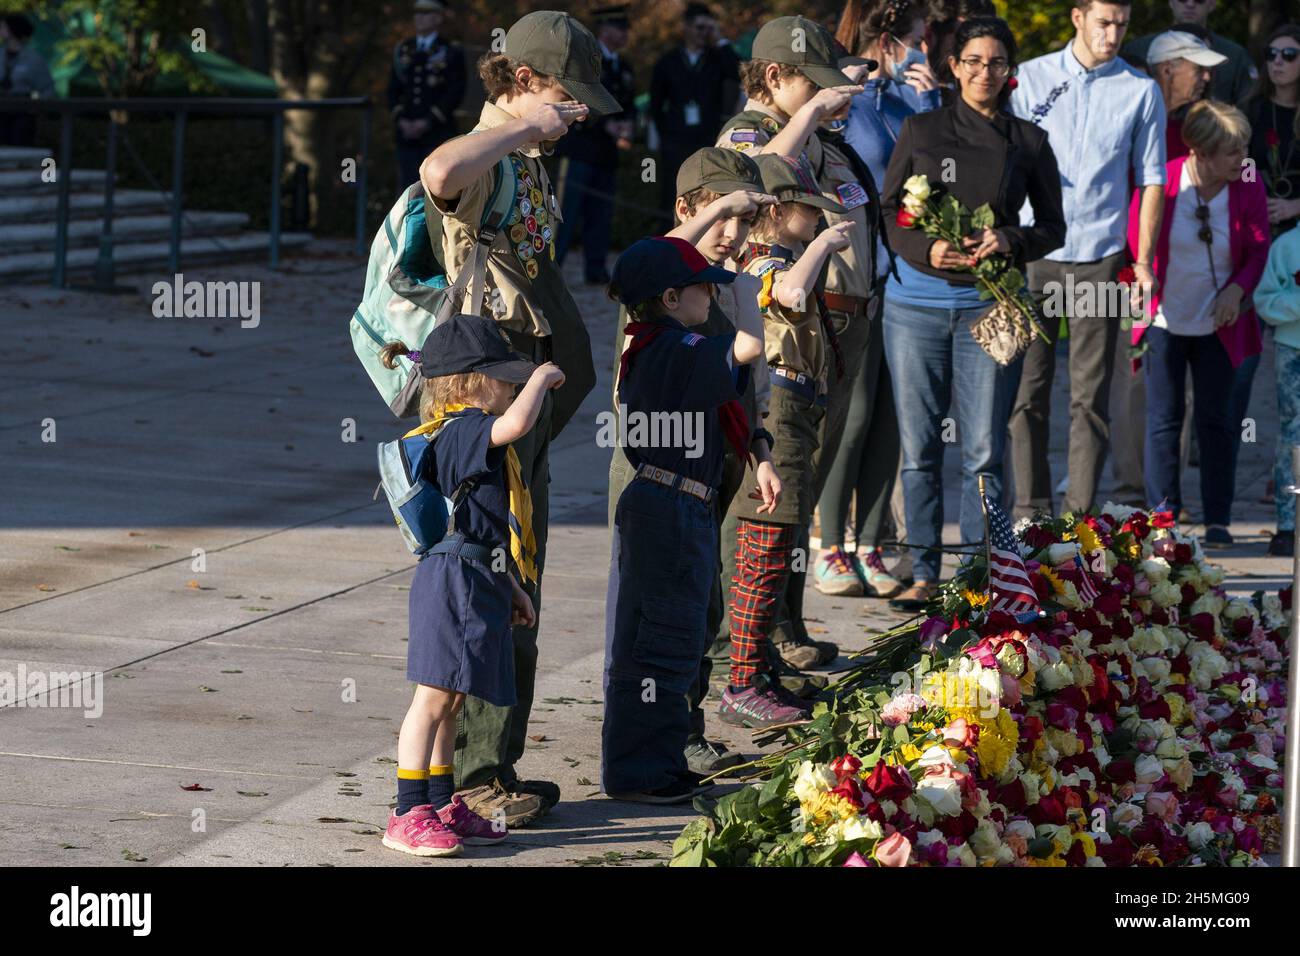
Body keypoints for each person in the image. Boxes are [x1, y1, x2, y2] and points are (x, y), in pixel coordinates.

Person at [419, 9, 616, 826]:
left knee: (517, 580)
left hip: (519, 403)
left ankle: (489, 765)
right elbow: (436, 171)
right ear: (528, 81)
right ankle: (472, 778)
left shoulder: (525, 161)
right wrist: (521, 126)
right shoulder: (493, 157)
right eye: (570, 98)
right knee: (495, 581)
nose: (579, 115)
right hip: (488, 406)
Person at [717, 15, 886, 671]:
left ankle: (782, 620)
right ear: (776, 76)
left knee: (803, 487)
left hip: (836, 323)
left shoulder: (819, 137)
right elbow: (756, 180)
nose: (824, 96)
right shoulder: (752, 131)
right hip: (786, 326)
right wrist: (814, 110)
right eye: (808, 83)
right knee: (770, 489)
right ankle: (746, 638)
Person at [606, 147, 781, 775]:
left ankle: (677, 734)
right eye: (719, 220)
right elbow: (645, 272)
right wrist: (742, 275)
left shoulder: (688, 306)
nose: (732, 240)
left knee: (694, 615)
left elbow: (738, 395)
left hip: (702, 480)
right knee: (650, 626)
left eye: (740, 224)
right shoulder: (665, 312)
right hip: (660, 485)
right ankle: (645, 754)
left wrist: (758, 449)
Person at [880, 15, 1065, 608]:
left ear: (1011, 72)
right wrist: (923, 246)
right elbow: (887, 212)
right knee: (920, 447)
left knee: (984, 449)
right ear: (953, 67)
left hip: (990, 309)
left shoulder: (1029, 141)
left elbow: (1054, 228)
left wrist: (1009, 240)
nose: (986, 72)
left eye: (998, 63)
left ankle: (976, 575)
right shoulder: (921, 128)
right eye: (974, 61)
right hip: (914, 306)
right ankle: (924, 571)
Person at [377, 315, 564, 857]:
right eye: (502, 378)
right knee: (431, 699)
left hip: (478, 572)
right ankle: (406, 810)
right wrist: (539, 379)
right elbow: (514, 427)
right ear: (465, 382)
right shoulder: (461, 430)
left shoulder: (470, 432)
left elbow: (482, 528)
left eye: (514, 379)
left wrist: (513, 590)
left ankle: (440, 802)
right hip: (452, 580)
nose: (509, 387)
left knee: (453, 699)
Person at [1006, 0, 1166, 521]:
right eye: (1104, 23)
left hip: (1100, 256)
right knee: (1027, 390)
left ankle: (1076, 521)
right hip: (1035, 253)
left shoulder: (1141, 90)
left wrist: (1142, 261)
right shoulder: (1029, 79)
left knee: (1089, 397)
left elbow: (1152, 178)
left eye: (1122, 24)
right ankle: (1031, 511)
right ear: (1078, 18)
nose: (1113, 34)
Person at [721, 153, 857, 727]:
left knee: (778, 545)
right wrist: (826, 247)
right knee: (766, 545)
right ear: (778, 210)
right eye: (811, 210)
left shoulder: (783, 252)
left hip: (795, 402)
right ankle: (742, 678)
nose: (820, 220)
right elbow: (790, 298)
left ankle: (760, 664)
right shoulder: (766, 258)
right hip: (777, 405)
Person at [818, 0, 942, 601]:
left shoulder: (917, 99)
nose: (925, 51)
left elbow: (943, 180)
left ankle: (870, 543)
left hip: (913, 279)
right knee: (857, 412)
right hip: (860, 276)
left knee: (896, 414)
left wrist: (931, 104)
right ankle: (829, 544)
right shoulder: (848, 98)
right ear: (890, 41)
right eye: (917, 39)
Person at [1127, 101, 1269, 549]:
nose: (1243, 159)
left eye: (1245, 147)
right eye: (1233, 151)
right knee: (1164, 421)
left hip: (1219, 321)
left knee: (1219, 421)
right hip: (1166, 317)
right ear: (1202, 153)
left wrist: (1237, 290)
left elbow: (1259, 247)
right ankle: (1161, 521)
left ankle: (1219, 519)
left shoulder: (1247, 181)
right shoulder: (1165, 181)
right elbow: (1136, 245)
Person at [554, 5, 637, 285]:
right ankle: (553, 266)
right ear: (603, 30)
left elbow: (629, 104)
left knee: (601, 214)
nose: (622, 35)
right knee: (566, 212)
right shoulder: (586, 61)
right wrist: (605, 125)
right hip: (580, 148)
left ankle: (596, 268)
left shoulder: (624, 66)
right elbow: (575, 98)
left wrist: (628, 127)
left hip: (607, 154)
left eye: (625, 29)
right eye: (618, 28)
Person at [649, 3, 742, 215]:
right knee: (670, 194)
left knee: (706, 193)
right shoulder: (668, 61)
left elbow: (740, 73)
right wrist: (665, 134)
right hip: (675, 138)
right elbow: (656, 103)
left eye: (708, 28)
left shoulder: (717, 58)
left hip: (706, 136)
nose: (704, 33)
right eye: (700, 28)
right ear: (687, 28)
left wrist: (719, 40)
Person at [1253, 220, 1300, 557]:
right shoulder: (1287, 245)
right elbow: (1265, 301)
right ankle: (1288, 523)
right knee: (1292, 433)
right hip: (1293, 349)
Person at [388, 0, 466, 191]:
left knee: (435, 187)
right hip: (406, 133)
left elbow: (455, 91)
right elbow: (393, 89)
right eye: (417, 13)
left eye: (425, 13)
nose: (419, 18)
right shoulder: (404, 49)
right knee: (407, 188)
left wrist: (427, 121)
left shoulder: (450, 51)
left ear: (438, 17)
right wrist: (401, 120)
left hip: (436, 132)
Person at [1123, 0, 1255, 106]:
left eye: (1199, 0)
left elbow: (1248, 107)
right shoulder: (1136, 48)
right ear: (1166, 70)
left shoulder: (1236, 54)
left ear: (1212, 3)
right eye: (1199, 69)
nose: (1190, 4)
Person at [1244, 24, 1300, 236]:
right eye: (1271, 54)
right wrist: (1254, 195)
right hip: (1258, 218)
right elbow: (1246, 160)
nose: (1278, 61)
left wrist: (1296, 206)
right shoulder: (1251, 109)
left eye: (1289, 55)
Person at [1146, 30, 1224, 160]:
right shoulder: (1135, 125)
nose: (1207, 77)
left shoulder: (1193, 130)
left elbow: (1244, 169)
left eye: (1208, 70)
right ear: (1167, 70)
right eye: (1199, 69)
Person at [0, 14, 54, 148]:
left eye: (4, 27)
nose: (1, 29)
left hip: (22, 112)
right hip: (1, 109)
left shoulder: (32, 58)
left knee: (20, 147)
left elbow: (47, 87)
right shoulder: (0, 54)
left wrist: (35, 108)